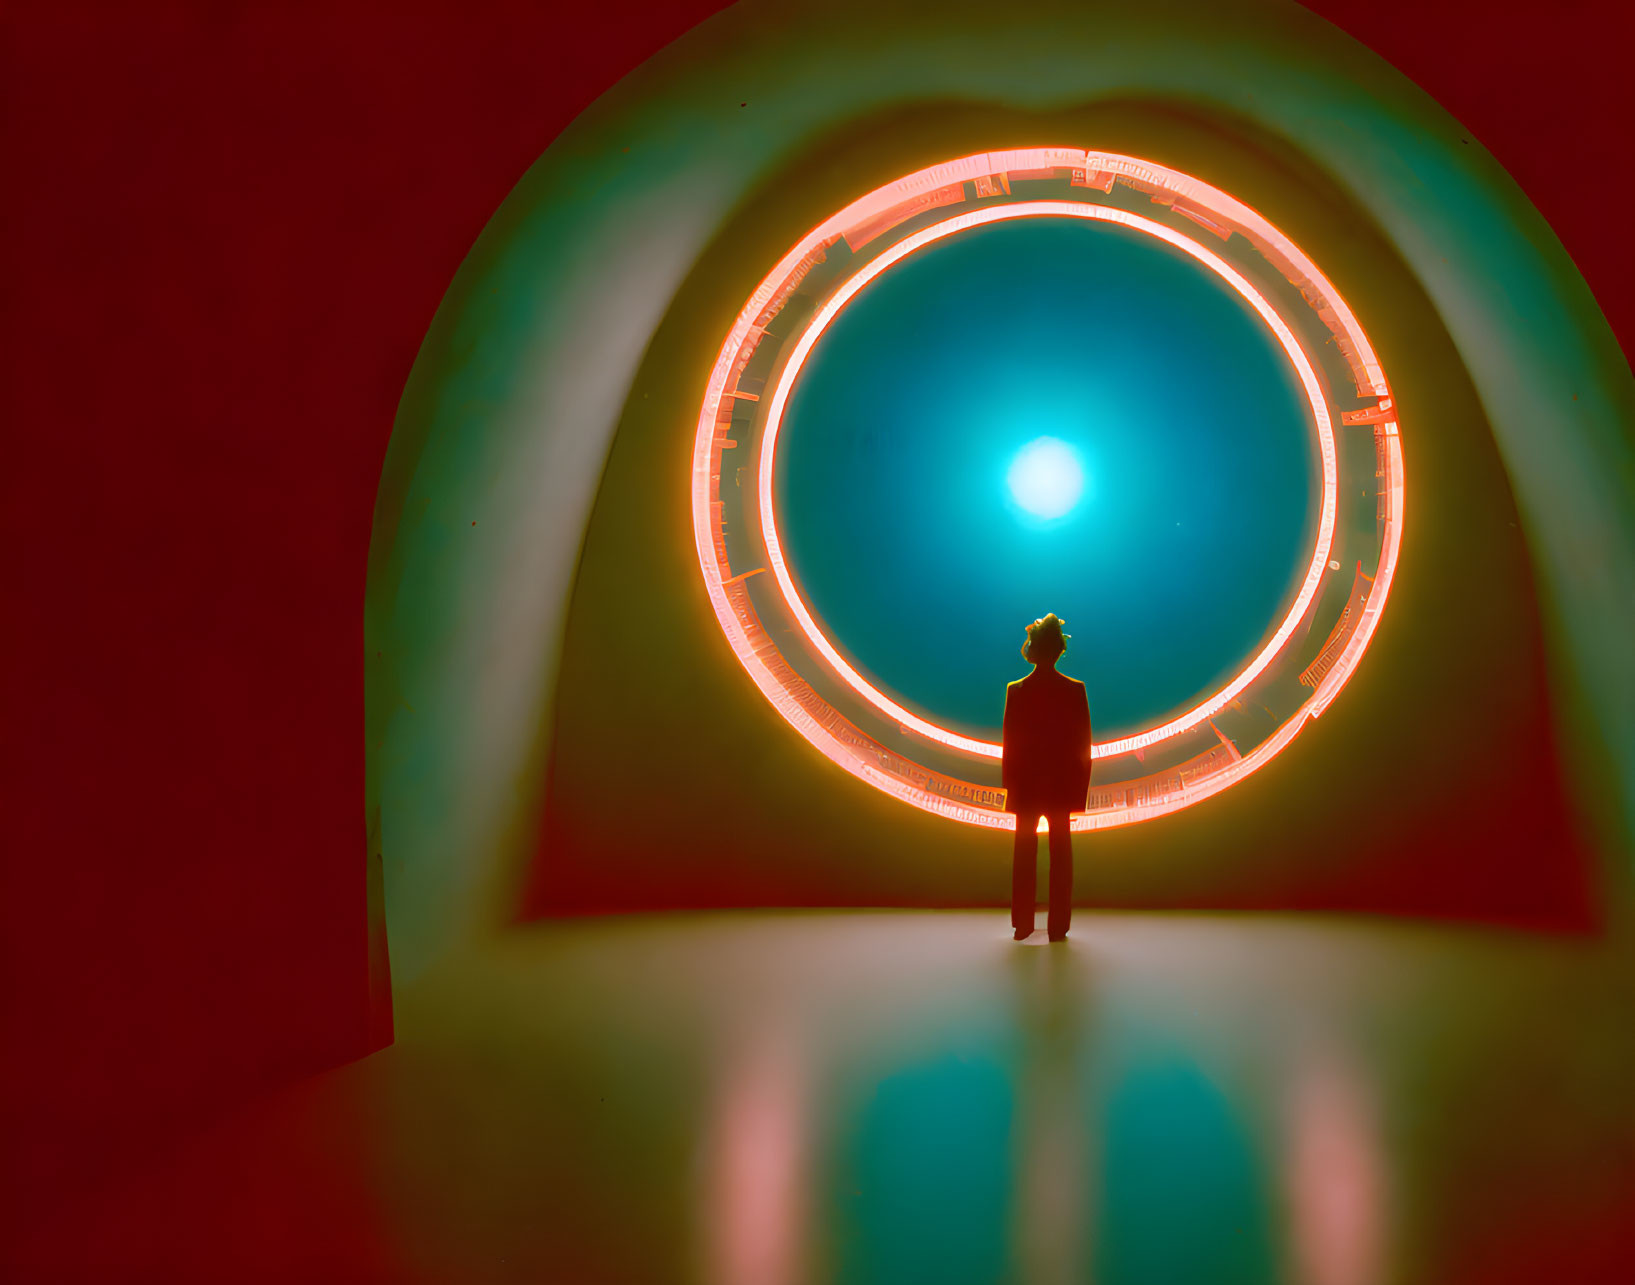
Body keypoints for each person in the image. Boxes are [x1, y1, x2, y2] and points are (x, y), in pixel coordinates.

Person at [1002, 613, 1092, 942]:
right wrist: (1078, 791)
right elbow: (1083, 745)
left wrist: (1009, 788)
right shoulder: (1074, 690)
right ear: (1058, 650)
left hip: (1027, 786)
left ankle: (1023, 924)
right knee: (1061, 859)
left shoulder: (1018, 690)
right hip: (1060, 786)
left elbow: (1010, 746)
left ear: (1032, 650)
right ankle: (1058, 927)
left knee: (1023, 857)